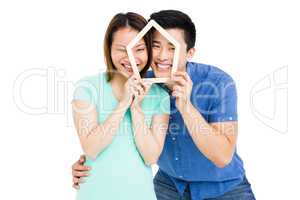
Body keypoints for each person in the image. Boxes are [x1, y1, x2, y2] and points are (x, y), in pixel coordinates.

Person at [72, 10, 256, 200]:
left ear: (190, 52)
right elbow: (118, 139)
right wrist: (89, 165)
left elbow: (223, 157)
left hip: (223, 187)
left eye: (172, 48)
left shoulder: (218, 83)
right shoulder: (144, 85)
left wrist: (186, 108)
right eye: (155, 45)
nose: (162, 56)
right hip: (170, 184)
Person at [72, 12, 170, 200]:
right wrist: (123, 103)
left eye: (139, 49)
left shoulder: (159, 96)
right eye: (122, 49)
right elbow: (91, 148)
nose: (130, 57)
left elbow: (150, 157)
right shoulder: (88, 88)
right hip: (94, 193)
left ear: (148, 50)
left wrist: (136, 108)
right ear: (109, 49)